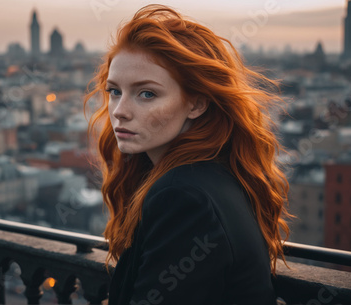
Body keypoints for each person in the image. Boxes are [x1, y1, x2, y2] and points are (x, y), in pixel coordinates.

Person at [84, 4, 292, 305]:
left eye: (147, 94)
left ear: (196, 104)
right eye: (114, 91)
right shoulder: (217, 174)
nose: (119, 111)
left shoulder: (182, 197)